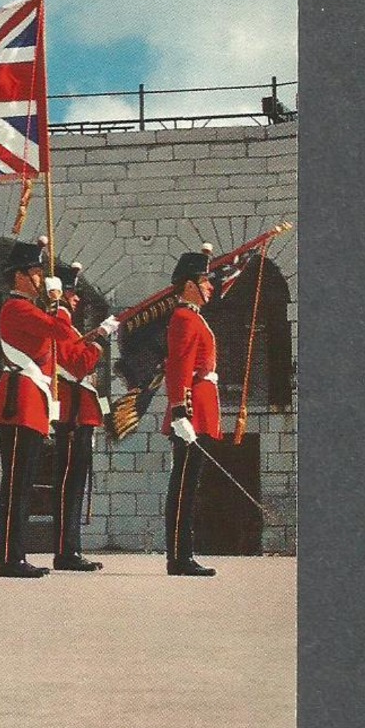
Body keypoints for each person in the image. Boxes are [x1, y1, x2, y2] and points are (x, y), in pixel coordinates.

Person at [0, 240, 115, 578]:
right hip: (19, 402)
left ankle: (15, 556)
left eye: (41, 274)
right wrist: (59, 303)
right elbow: (58, 330)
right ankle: (11, 559)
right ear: (19, 276)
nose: (41, 280)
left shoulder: (30, 309)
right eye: (35, 273)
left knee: (23, 485)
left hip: (31, 401)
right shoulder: (16, 308)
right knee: (17, 486)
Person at [164, 245, 221, 576]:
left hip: (199, 405)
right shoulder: (184, 318)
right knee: (184, 485)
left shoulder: (193, 318)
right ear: (189, 285)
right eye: (205, 280)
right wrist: (179, 413)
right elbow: (179, 368)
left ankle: (183, 553)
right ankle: (178, 556)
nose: (210, 287)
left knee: (189, 484)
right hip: (190, 409)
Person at [49, 261, 107, 572]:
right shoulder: (60, 324)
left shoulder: (69, 329)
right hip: (71, 418)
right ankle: (65, 551)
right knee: (69, 488)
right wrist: (98, 343)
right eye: (72, 294)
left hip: (81, 415)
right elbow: (76, 366)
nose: (76, 300)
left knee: (74, 487)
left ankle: (71, 549)